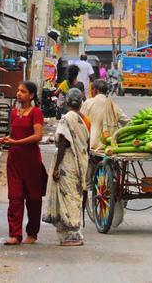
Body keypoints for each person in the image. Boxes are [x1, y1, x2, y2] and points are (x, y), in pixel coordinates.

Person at [0, 81, 47, 245]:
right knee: (15, 197)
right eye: (18, 91)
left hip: (31, 160)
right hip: (14, 160)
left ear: (31, 95)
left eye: (23, 91)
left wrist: (16, 142)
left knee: (33, 198)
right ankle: (15, 234)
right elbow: (13, 135)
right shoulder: (13, 113)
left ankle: (32, 233)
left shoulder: (36, 113)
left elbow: (38, 136)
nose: (18, 94)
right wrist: (5, 140)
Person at [43, 88, 90, 246]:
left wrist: (56, 167)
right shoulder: (84, 120)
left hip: (68, 162)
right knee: (76, 195)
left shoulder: (66, 119)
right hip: (81, 162)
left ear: (67, 102)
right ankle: (71, 232)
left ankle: (73, 234)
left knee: (68, 196)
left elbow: (63, 143)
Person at [82, 79, 130, 150]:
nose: (91, 92)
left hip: (91, 144)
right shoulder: (112, 105)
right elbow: (128, 121)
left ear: (96, 90)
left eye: (92, 89)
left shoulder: (88, 103)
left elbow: (80, 121)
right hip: (109, 145)